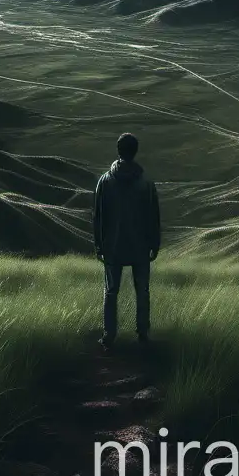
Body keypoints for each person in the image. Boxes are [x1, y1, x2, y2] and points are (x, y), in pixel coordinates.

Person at [92, 132, 161, 349]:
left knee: (111, 291)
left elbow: (98, 215)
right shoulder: (146, 183)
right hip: (140, 245)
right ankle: (142, 333)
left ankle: (109, 335)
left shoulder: (105, 181)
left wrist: (98, 244)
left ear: (118, 151)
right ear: (135, 151)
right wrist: (154, 243)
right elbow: (154, 216)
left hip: (112, 245)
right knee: (142, 290)